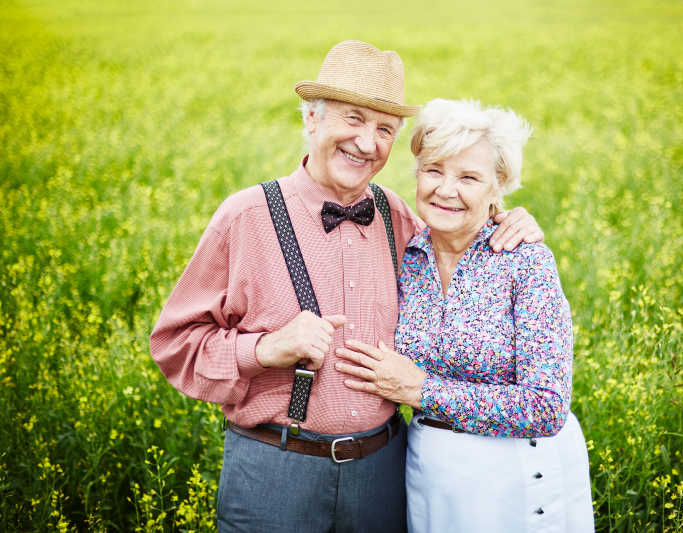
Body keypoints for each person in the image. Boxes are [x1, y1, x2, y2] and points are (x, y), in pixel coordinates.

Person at [150, 41, 544, 533]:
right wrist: (266, 348)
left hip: (384, 474)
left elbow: (461, 229)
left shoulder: (399, 218)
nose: (366, 142)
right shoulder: (245, 217)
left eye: (384, 129)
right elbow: (174, 345)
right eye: (353, 119)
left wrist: (507, 217)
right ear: (311, 120)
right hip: (275, 471)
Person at [335, 98, 594, 532]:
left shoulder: (524, 261)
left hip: (515, 479)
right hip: (431, 475)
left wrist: (423, 390)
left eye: (469, 178)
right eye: (434, 170)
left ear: (498, 189)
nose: (446, 189)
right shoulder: (405, 252)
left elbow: (546, 406)